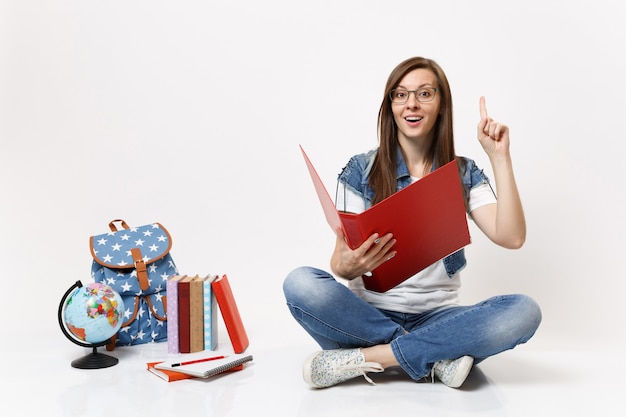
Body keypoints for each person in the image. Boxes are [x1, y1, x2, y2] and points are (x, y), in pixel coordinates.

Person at [282, 56, 542, 389]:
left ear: (441, 105)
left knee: (523, 311)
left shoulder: (462, 173)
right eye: (401, 95)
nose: (411, 104)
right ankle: (437, 356)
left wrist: (500, 157)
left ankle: (373, 358)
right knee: (300, 283)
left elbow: (512, 236)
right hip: (366, 316)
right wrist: (350, 264)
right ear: (390, 105)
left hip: (439, 317)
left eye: (424, 93)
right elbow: (340, 265)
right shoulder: (360, 170)